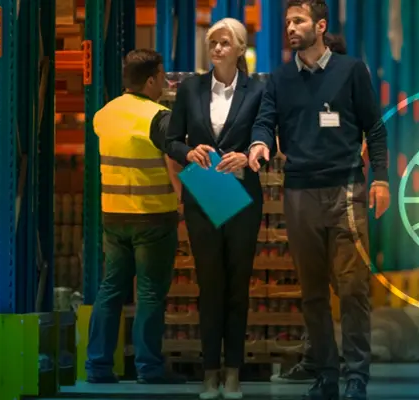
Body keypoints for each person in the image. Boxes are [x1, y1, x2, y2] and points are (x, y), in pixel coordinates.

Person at [248, 1, 391, 399]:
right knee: (312, 290)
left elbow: (375, 129)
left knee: (352, 288)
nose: (291, 27)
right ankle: (327, 374)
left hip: (346, 188)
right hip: (298, 191)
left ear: (320, 26)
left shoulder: (351, 72)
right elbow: (266, 118)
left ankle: (357, 375)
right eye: (288, 21)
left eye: (299, 21)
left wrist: (380, 180)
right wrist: (260, 142)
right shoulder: (279, 78)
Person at [164, 17, 265, 400]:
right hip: (204, 194)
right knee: (210, 285)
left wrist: (248, 153)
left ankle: (234, 373)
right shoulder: (190, 89)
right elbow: (172, 140)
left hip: (242, 196)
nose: (218, 49)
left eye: (225, 43)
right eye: (213, 43)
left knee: (238, 285)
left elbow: (266, 133)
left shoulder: (257, 92)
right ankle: (209, 374)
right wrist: (187, 151)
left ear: (240, 48)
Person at [84, 49, 186, 385]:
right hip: (153, 219)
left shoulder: (103, 114)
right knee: (150, 294)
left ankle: (98, 366)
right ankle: (149, 368)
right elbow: (178, 160)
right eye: (162, 76)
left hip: (113, 218)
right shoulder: (159, 117)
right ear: (153, 78)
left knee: (110, 290)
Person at [271, 31, 349, 385]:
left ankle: (334, 361)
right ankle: (320, 359)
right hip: (308, 199)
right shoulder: (296, 90)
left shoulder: (346, 98)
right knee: (315, 289)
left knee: (341, 287)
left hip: (343, 200)